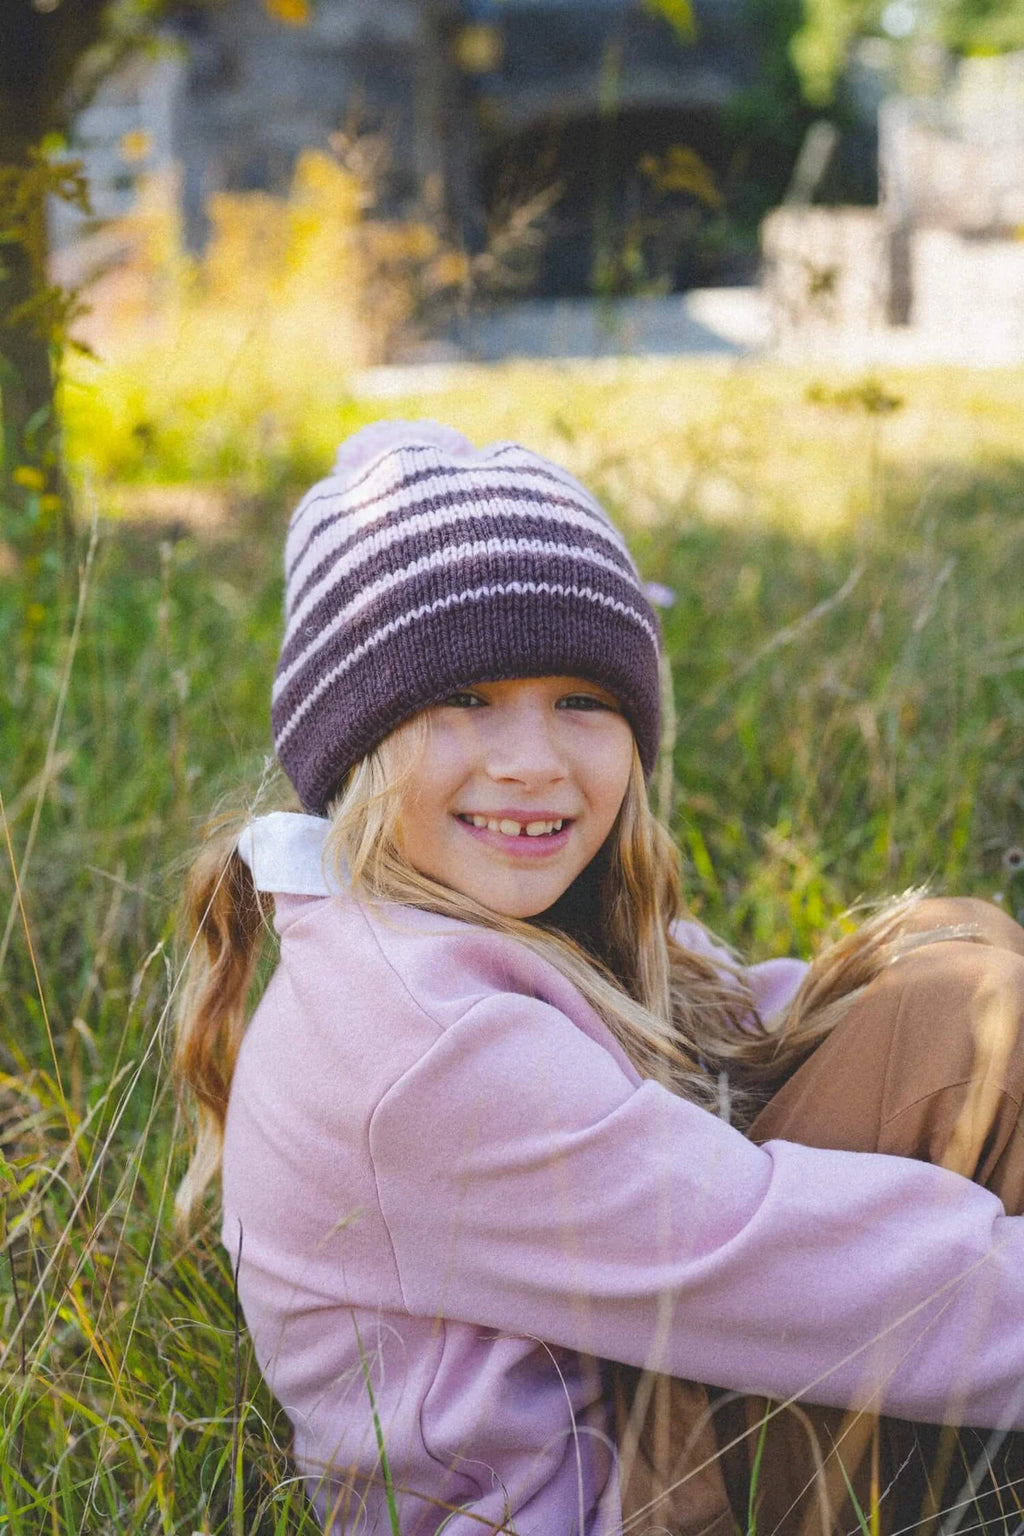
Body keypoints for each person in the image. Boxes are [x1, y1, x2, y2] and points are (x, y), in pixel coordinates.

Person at [174, 419, 1024, 1536]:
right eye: (463, 698)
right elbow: (768, 1257)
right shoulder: (421, 1045)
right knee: (976, 1021)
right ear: (355, 745)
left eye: (583, 700)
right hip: (602, 1507)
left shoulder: (475, 912)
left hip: (643, 1403)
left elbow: (748, 1030)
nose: (532, 760)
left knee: (950, 961)